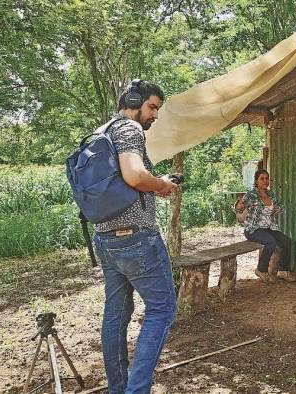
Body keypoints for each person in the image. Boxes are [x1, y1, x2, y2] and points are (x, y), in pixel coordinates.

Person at [92, 79, 178, 394]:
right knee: (163, 308)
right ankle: (136, 390)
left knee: (117, 314)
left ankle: (119, 388)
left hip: (106, 238)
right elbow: (133, 175)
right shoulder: (128, 129)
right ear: (133, 101)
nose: (154, 115)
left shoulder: (102, 131)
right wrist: (160, 184)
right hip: (136, 240)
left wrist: (154, 185)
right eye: (152, 107)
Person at [234, 169, 296, 283]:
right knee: (270, 242)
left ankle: (283, 271)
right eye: (262, 178)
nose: (265, 181)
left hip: (268, 228)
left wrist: (277, 209)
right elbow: (239, 208)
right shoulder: (251, 195)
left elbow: (282, 206)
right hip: (253, 229)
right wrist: (238, 206)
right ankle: (261, 270)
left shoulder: (271, 194)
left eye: (267, 178)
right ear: (256, 181)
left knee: (286, 241)